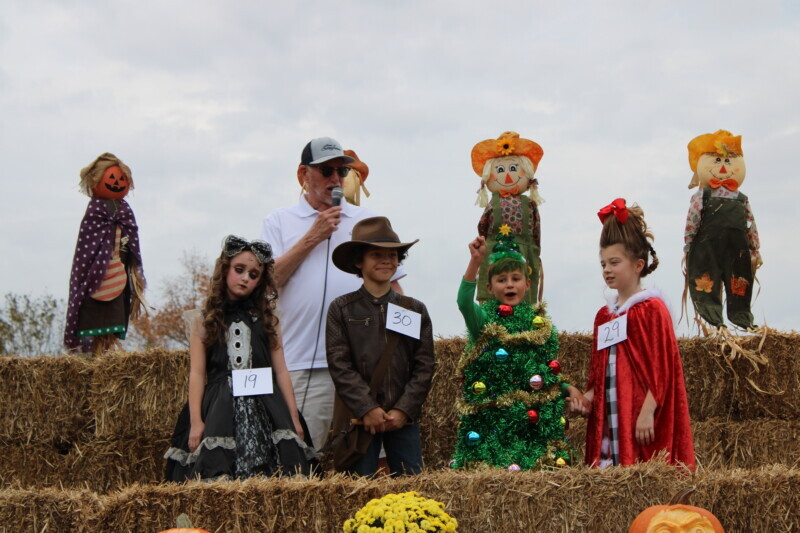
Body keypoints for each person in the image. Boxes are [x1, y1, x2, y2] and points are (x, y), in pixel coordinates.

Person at [260, 137, 405, 451]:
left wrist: (402, 350)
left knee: (365, 461)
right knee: (301, 458)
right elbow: (266, 284)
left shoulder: (367, 220)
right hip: (302, 363)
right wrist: (313, 236)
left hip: (364, 366)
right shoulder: (279, 221)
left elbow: (394, 286)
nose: (335, 179)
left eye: (341, 170)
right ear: (303, 174)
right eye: (326, 171)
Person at [164, 236, 316, 481]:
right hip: (219, 409)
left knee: (275, 472)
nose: (246, 277)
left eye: (254, 274)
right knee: (218, 470)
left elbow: (281, 370)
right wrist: (196, 421)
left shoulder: (268, 320)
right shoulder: (203, 320)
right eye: (239, 270)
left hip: (266, 404)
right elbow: (197, 373)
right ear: (224, 270)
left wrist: (293, 418)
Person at [450, 231, 584, 470]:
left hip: (531, 430)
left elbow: (545, 375)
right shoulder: (483, 322)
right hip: (493, 429)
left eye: (515, 278)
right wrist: (475, 262)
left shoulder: (539, 325)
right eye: (502, 280)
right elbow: (462, 302)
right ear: (490, 288)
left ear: (527, 284)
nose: (509, 284)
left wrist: (568, 388)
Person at [577, 199, 695, 468]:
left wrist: (648, 410)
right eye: (603, 263)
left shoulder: (651, 309)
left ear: (638, 265)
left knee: (640, 474)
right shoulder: (604, 317)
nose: (607, 270)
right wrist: (585, 400)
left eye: (614, 262)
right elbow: (598, 373)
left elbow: (664, 367)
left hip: (640, 417)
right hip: (609, 421)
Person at [326, 217, 434, 476]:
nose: (386, 260)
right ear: (358, 261)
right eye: (376, 254)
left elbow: (425, 365)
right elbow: (339, 365)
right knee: (358, 493)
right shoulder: (341, 309)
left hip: (403, 420)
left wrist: (403, 409)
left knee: (412, 493)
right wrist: (367, 408)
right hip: (359, 420)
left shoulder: (414, 309)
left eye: (392, 254)